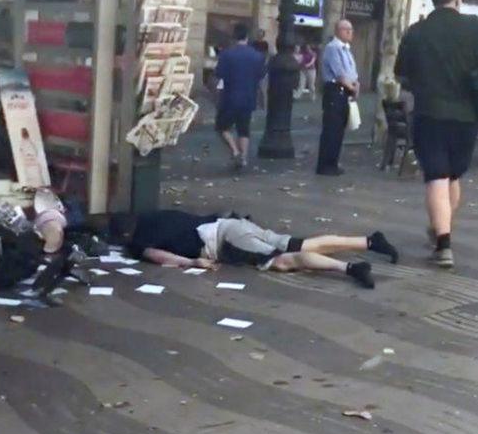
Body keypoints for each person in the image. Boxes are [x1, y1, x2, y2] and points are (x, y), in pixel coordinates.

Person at [395, 0, 478, 269]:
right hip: (467, 118)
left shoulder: (416, 32)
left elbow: (401, 75)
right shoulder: (474, 28)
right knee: (453, 176)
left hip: (430, 114)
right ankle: (442, 229)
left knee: (437, 177)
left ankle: (443, 243)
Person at [112, 210, 398, 290]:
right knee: (300, 244)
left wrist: (192, 262)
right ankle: (369, 242)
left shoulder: (138, 242)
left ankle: (350, 268)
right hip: (231, 224)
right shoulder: (153, 216)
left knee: (285, 262)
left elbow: (160, 257)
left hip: (227, 240)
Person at [215, 23, 266, 170]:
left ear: (234, 37)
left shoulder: (227, 54)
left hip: (230, 97)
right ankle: (243, 158)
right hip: (249, 96)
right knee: (244, 129)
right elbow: (261, 75)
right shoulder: (257, 56)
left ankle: (235, 151)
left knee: (222, 127)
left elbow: (219, 74)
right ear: (247, 37)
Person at [316, 20, 360, 176]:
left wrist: (355, 84)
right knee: (331, 129)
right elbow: (340, 74)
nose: (349, 32)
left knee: (339, 129)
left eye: (351, 29)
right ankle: (325, 165)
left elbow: (352, 71)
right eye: (346, 29)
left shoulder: (346, 49)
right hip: (335, 90)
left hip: (346, 92)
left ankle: (333, 162)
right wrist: (352, 87)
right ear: (338, 31)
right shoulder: (333, 48)